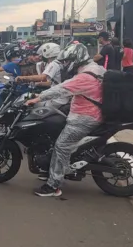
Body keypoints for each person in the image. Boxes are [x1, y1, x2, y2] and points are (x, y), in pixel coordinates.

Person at [25, 43, 106, 196]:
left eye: (68, 61)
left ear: (76, 59)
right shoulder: (96, 68)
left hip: (85, 118)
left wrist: (39, 97)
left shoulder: (85, 76)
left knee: (62, 146)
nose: (66, 64)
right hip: (88, 113)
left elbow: (62, 89)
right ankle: (52, 169)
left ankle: (53, 185)